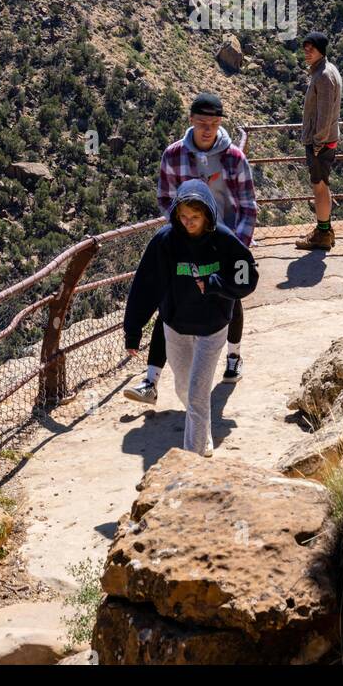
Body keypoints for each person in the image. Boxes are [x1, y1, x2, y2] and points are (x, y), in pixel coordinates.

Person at [124, 92, 257, 406]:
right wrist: (179, 232)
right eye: (202, 123)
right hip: (185, 242)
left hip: (225, 243)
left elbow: (248, 206)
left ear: (220, 123)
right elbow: (164, 197)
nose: (208, 129)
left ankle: (233, 356)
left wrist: (236, 247)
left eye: (213, 123)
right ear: (191, 122)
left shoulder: (234, 158)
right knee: (168, 299)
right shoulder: (173, 156)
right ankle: (151, 379)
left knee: (230, 297)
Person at [122, 179, 258, 456]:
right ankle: (203, 429)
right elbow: (145, 286)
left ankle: (192, 462)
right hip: (176, 327)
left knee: (197, 393)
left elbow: (247, 277)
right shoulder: (165, 241)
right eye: (183, 217)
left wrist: (216, 283)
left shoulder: (223, 239)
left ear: (207, 214)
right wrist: (133, 331)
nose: (188, 223)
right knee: (184, 388)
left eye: (195, 217)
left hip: (213, 327)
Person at [295, 30, 343, 251]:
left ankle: (322, 235)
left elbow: (324, 115)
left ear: (320, 50)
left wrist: (316, 142)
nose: (307, 52)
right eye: (305, 49)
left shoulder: (323, 75)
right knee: (323, 185)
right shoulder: (327, 70)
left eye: (311, 49)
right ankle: (325, 229)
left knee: (319, 187)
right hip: (325, 140)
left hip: (321, 142)